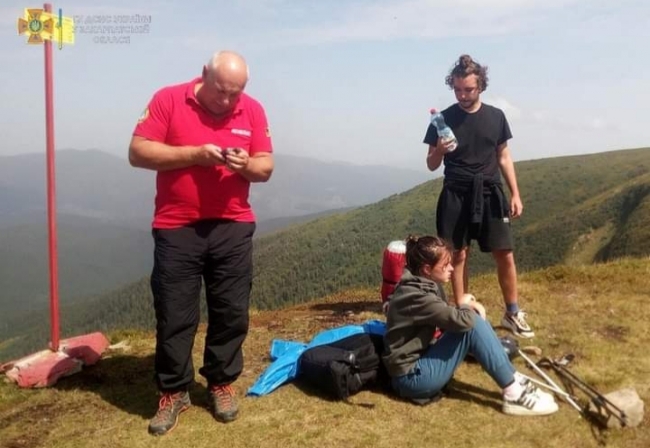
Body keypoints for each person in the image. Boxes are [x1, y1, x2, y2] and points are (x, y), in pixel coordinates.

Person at [129, 50, 274, 436]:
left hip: (233, 225)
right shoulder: (168, 99)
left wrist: (246, 165)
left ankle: (220, 383)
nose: (226, 100)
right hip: (176, 226)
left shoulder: (253, 110)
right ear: (204, 74)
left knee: (231, 311)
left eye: (234, 93)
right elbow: (138, 152)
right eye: (220, 90)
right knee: (174, 313)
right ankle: (173, 391)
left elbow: (265, 166)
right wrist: (195, 154)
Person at [382, 235, 558, 416]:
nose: (451, 268)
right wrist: (464, 305)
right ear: (427, 269)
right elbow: (464, 320)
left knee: (471, 321)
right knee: (471, 323)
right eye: (445, 265)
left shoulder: (419, 284)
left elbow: (446, 317)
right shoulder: (417, 297)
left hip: (416, 366)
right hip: (411, 379)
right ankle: (514, 394)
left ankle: (512, 377)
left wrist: (465, 311)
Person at [424, 54, 534, 338]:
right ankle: (461, 313)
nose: (462, 95)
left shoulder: (496, 117)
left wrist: (515, 193)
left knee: (504, 253)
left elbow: (503, 156)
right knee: (458, 254)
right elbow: (431, 164)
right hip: (455, 191)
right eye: (457, 89)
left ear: (481, 86)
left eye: (468, 89)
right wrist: (440, 150)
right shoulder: (443, 119)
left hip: (489, 191)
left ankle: (512, 313)